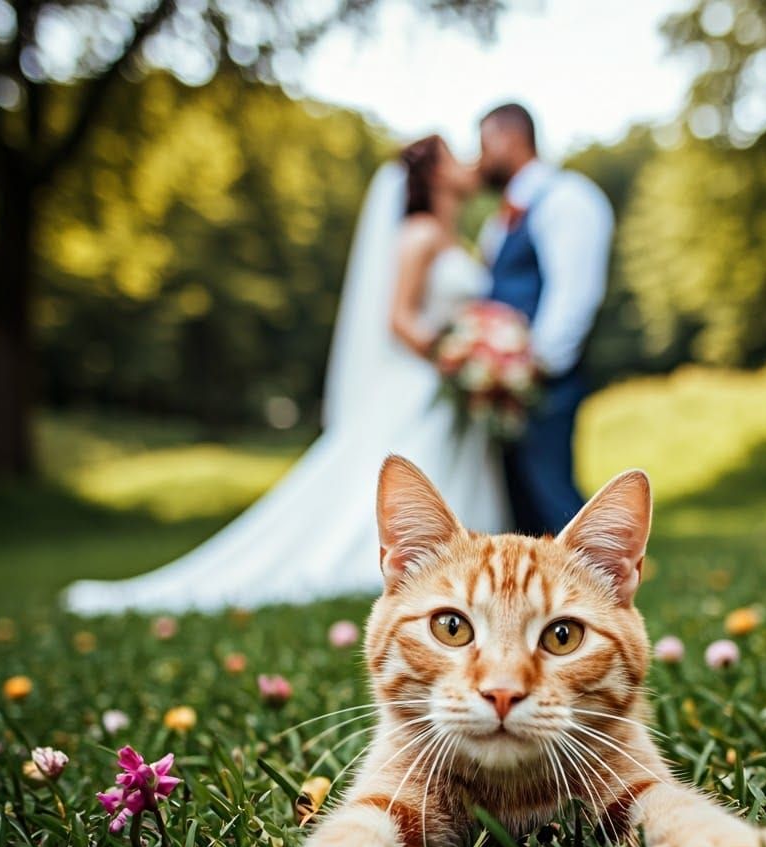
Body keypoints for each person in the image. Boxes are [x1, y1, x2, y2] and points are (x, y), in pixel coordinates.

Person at [63, 137, 508, 614]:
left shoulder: (455, 237)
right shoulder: (418, 235)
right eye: (453, 154)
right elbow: (398, 319)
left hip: (446, 387)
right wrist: (455, 358)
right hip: (425, 382)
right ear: (436, 175)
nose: (467, 161)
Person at [478, 102, 614, 536]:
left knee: (553, 495)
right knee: (521, 505)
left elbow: (574, 290)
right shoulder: (502, 220)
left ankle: (602, 590)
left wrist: (535, 365)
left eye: (484, 143)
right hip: (505, 385)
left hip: (542, 379)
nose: (479, 158)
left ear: (510, 137)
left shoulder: (567, 198)